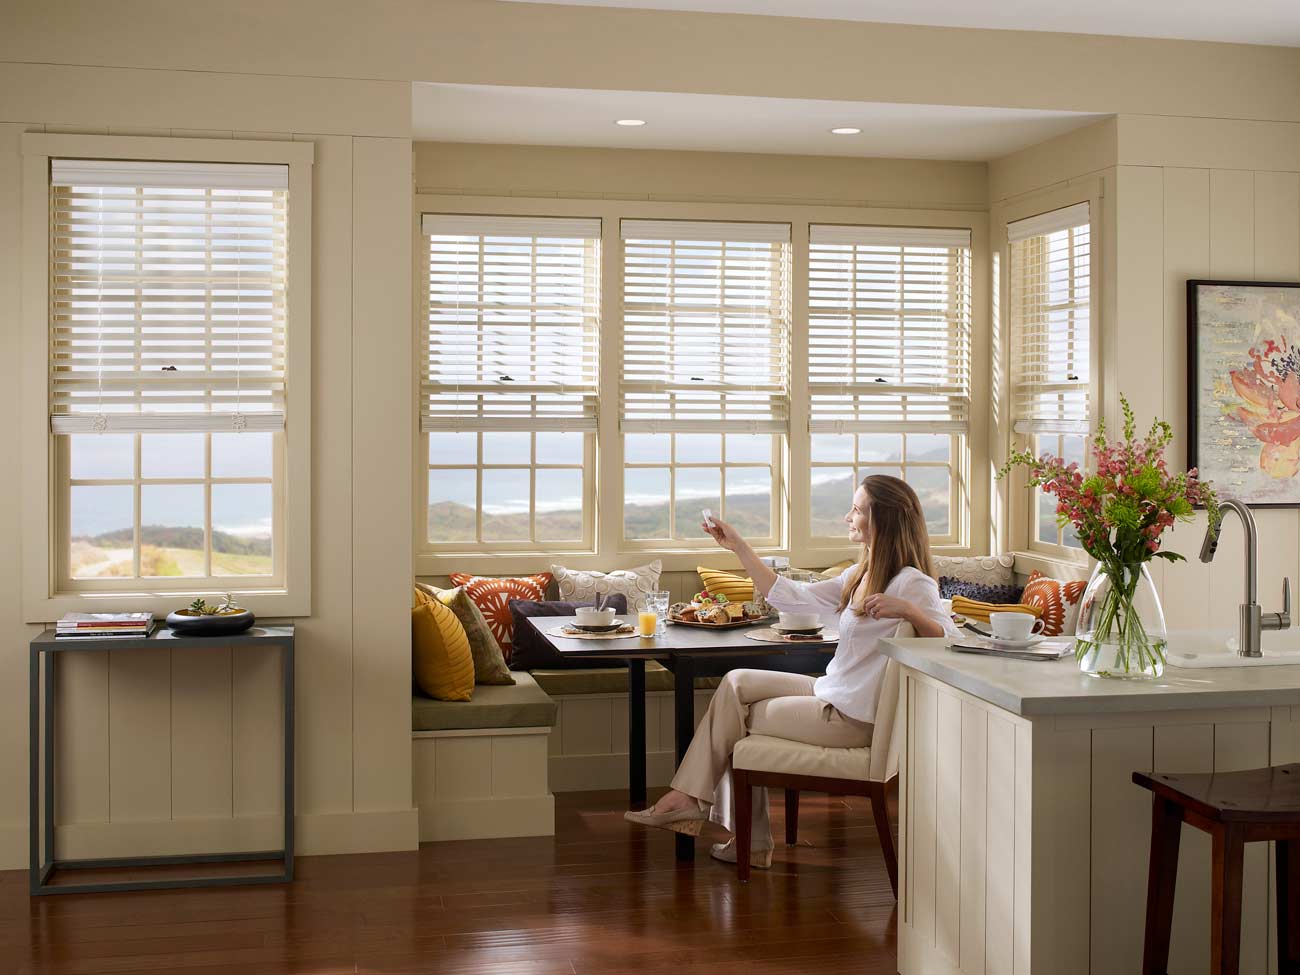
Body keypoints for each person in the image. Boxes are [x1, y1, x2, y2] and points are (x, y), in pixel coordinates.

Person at [625, 474, 959, 867]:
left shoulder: (911, 584)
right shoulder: (862, 574)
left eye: (856, 509)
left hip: (851, 718)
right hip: (833, 693)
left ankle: (706, 812)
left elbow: (948, 639)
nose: (847, 517)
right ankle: (704, 810)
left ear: (882, 519)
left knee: (738, 716)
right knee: (735, 683)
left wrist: (911, 612)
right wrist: (739, 548)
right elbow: (792, 597)